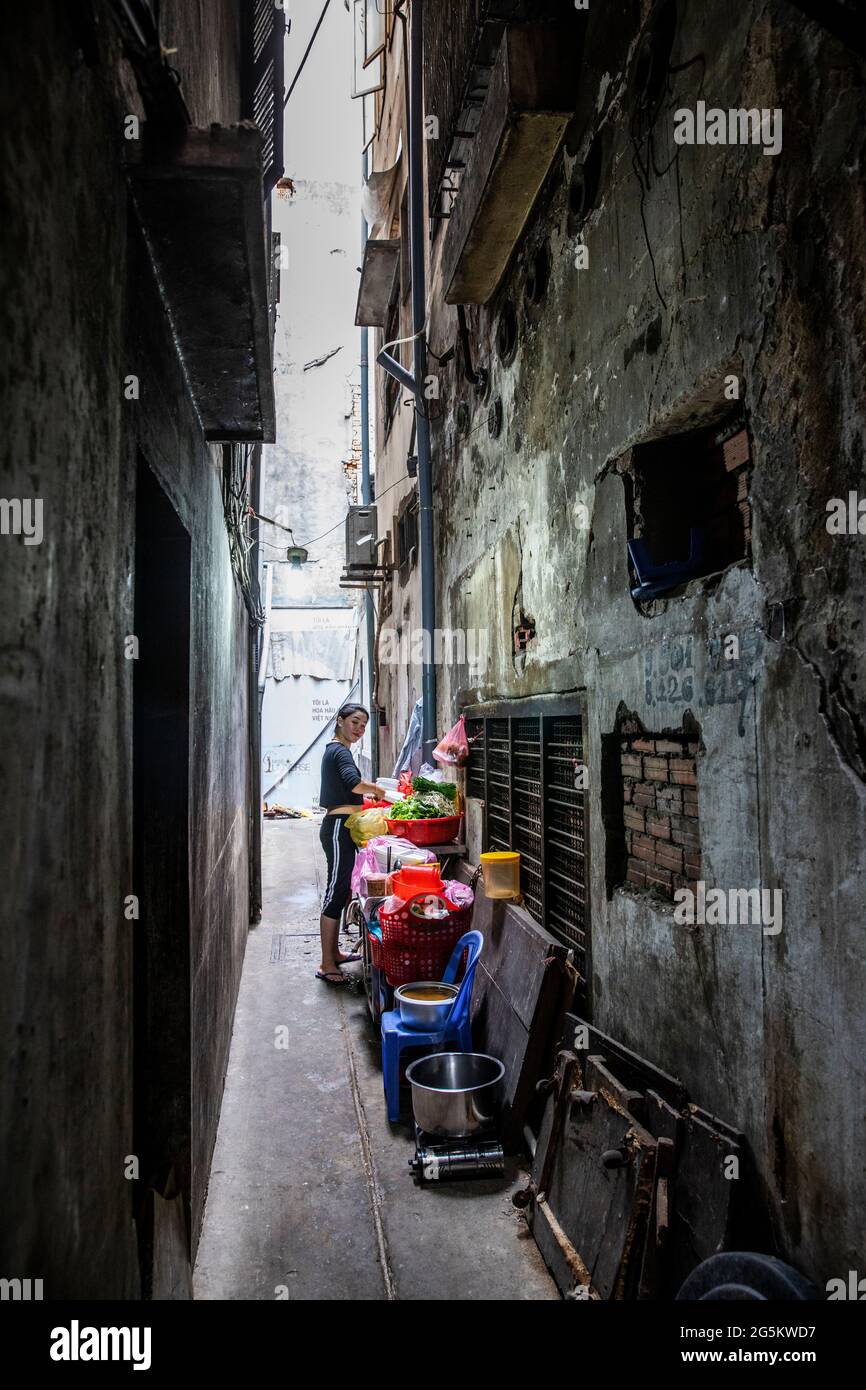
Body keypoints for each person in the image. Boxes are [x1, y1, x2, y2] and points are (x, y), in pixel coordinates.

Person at [317, 702, 387, 985]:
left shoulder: (337, 751)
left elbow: (349, 789)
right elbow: (353, 783)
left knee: (343, 887)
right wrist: (377, 790)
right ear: (340, 720)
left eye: (363, 725)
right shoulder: (339, 751)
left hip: (343, 828)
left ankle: (334, 953)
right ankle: (325, 963)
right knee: (335, 891)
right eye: (355, 722)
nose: (359, 729)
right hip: (337, 829)